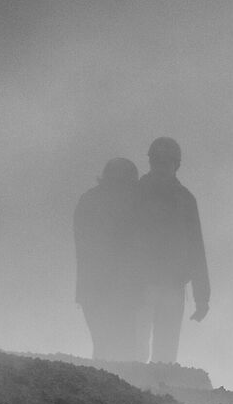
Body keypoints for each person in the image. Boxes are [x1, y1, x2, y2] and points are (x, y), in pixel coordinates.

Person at [134, 136, 209, 365]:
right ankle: (136, 392)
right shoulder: (135, 194)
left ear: (175, 164)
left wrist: (202, 297)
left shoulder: (184, 200)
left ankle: (157, 394)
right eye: (158, 161)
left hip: (170, 285)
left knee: (164, 352)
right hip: (140, 283)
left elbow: (196, 248)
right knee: (136, 348)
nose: (161, 166)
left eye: (166, 161)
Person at [73, 157, 144, 360]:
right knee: (123, 345)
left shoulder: (88, 200)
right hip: (117, 289)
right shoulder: (126, 206)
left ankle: (105, 385)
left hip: (92, 288)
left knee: (103, 344)